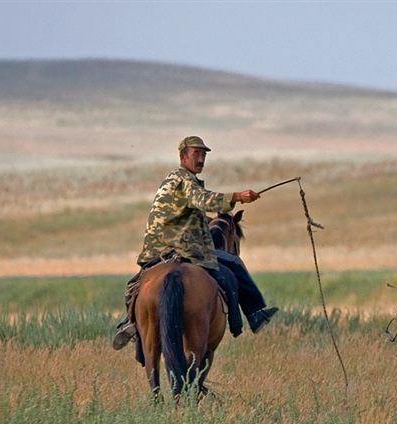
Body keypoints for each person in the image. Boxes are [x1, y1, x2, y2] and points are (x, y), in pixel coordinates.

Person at [112, 135, 278, 350]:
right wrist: (237, 196)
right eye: (196, 154)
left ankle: (131, 321)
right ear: (182, 157)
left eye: (203, 155)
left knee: (135, 284)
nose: (201, 159)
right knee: (234, 263)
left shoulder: (170, 181)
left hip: (155, 251)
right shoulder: (185, 181)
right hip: (181, 248)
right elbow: (203, 200)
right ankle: (255, 315)